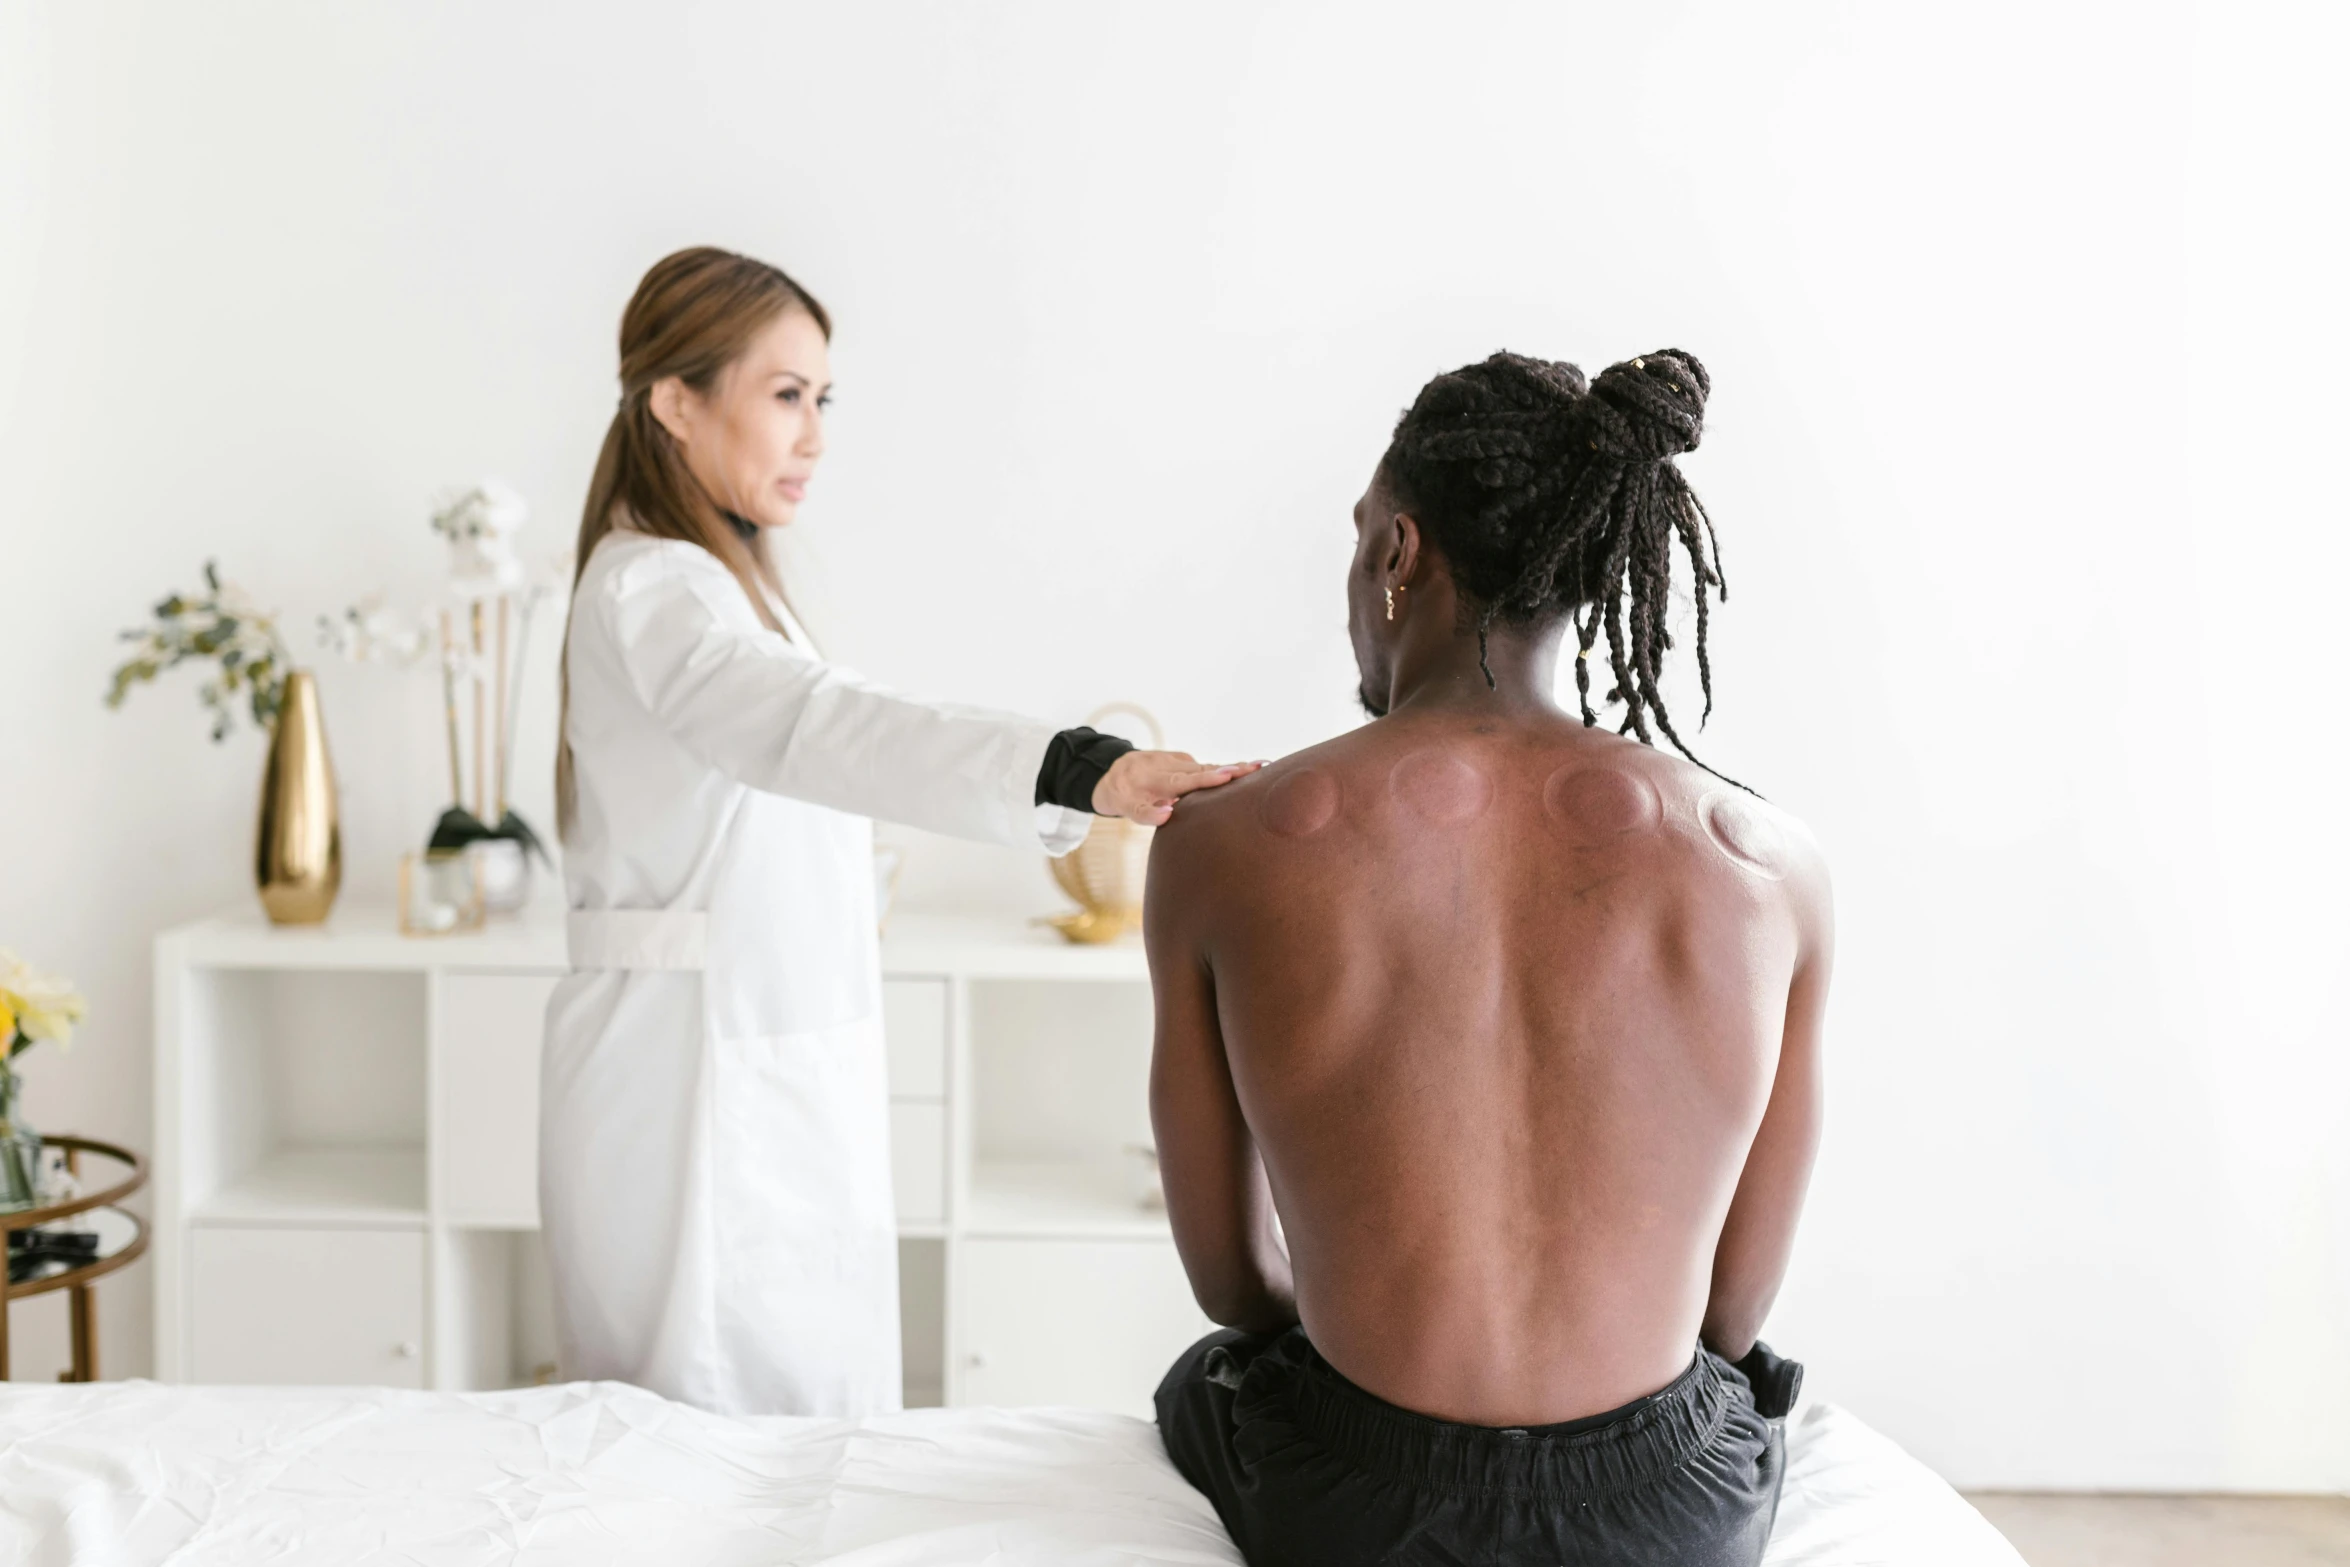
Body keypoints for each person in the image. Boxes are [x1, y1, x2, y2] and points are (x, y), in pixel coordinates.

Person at [1144, 349, 1830, 1565]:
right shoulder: (1771, 868)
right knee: (1753, 1386)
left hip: (1352, 1507)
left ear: (1398, 553)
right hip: (1660, 1514)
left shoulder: (1220, 843)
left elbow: (1235, 1288)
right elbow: (1730, 1317)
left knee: (1213, 1377)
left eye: (1362, 540)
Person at [543, 246, 1253, 1419]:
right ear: (675, 399)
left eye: (823, 400)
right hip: (684, 1086)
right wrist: (1079, 768)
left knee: (789, 1434)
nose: (814, 434)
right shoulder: (653, 590)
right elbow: (818, 727)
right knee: (686, 1444)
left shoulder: (726, 586)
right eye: (785, 395)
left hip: (755, 1059)